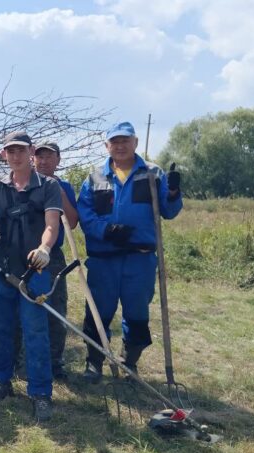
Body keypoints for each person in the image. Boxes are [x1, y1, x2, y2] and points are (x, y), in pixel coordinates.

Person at [0, 131, 63, 422]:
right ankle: (2, 381)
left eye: (20, 150)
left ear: (31, 151)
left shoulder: (48, 186)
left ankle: (41, 393)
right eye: (10, 151)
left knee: (35, 331)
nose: (15, 156)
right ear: (3, 154)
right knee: (0, 328)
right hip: (0, 268)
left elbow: (52, 225)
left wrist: (45, 247)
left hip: (35, 269)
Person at [77, 122, 183, 382]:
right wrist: (106, 230)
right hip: (103, 260)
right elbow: (85, 215)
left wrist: (173, 192)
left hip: (140, 259)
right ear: (107, 146)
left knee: (136, 313)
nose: (120, 146)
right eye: (115, 142)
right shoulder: (94, 178)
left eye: (125, 140)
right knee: (98, 313)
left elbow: (168, 212)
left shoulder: (152, 173)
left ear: (135, 142)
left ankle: (129, 363)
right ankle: (94, 363)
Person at [32, 141, 78, 379]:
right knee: (25, 305)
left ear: (58, 160)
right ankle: (25, 359)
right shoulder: (24, 184)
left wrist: (60, 195)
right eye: (39, 157)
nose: (43, 161)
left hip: (52, 256)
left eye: (49, 157)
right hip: (25, 253)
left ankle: (55, 361)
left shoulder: (64, 186)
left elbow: (71, 222)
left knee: (55, 306)